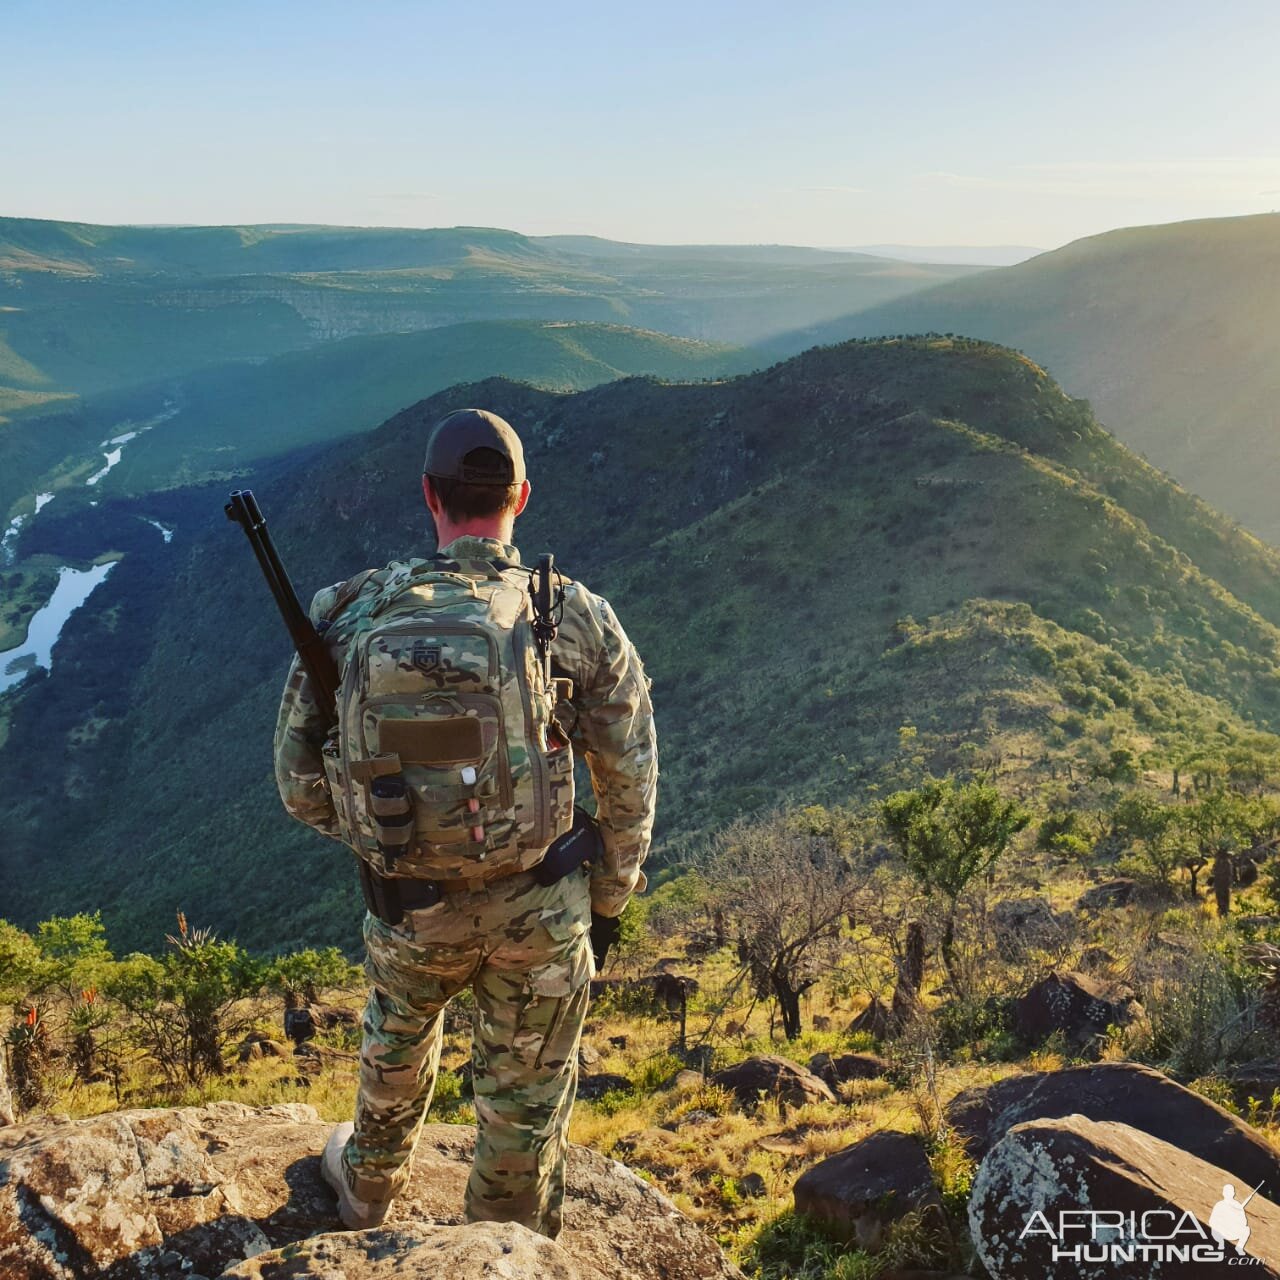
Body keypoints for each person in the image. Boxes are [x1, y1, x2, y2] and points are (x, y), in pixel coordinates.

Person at [272, 407, 657, 1238]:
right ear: (521, 494)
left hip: (408, 902)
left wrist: (393, 834)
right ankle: (504, 1238)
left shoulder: (352, 610)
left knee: (395, 1049)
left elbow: (299, 783)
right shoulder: (575, 616)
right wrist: (610, 898)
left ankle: (367, 1192)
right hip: (542, 906)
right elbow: (628, 778)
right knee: (523, 1107)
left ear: (428, 496)